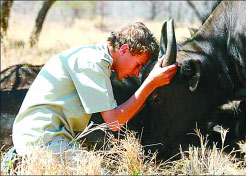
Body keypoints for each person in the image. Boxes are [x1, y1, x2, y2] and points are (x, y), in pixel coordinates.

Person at [11, 22, 177, 158]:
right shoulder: (93, 63)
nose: (136, 72)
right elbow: (114, 122)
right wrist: (150, 84)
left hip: (52, 136)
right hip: (42, 138)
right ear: (124, 50)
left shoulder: (93, 58)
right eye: (138, 64)